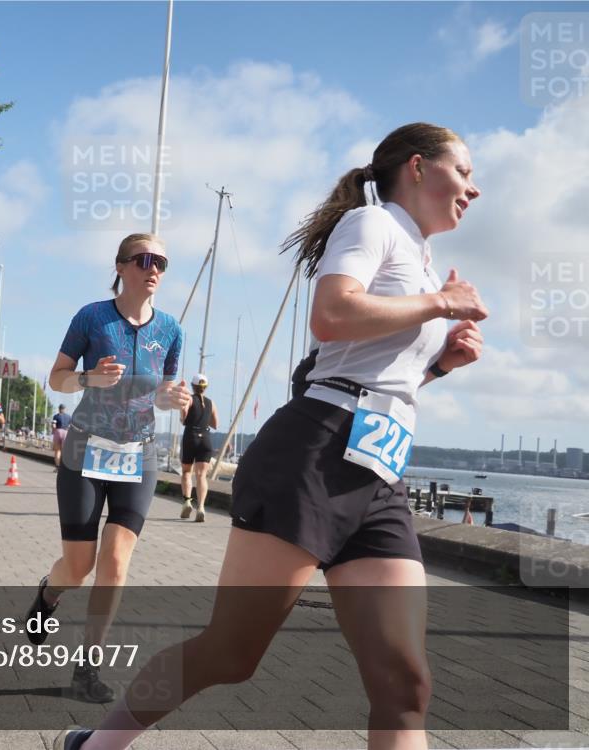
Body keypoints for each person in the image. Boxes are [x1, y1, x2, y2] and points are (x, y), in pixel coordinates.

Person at [55, 123, 487, 749]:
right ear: (417, 167)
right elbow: (331, 315)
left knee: (405, 684)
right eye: (464, 172)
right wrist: (440, 306)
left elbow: (371, 375)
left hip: (380, 473)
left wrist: (439, 364)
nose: (473, 190)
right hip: (314, 457)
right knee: (229, 655)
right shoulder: (373, 226)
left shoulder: (421, 259)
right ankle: (96, 745)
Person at [26, 232, 191, 703]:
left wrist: (175, 398)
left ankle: (88, 666)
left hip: (138, 454)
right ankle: (48, 595)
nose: (153, 268)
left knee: (116, 563)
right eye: (143, 259)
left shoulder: (171, 330)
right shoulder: (92, 317)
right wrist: (86, 378)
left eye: (161, 261)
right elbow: (56, 377)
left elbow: (161, 392)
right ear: (120, 267)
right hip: (85, 450)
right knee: (79, 567)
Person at [179, 373, 219, 523]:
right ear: (205, 387)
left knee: (186, 472)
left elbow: (184, 419)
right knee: (201, 476)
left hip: (191, 436)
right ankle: (201, 507)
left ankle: (187, 502)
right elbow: (215, 424)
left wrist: (185, 417)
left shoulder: (188, 399)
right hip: (206, 439)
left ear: (193, 386)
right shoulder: (211, 403)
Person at [51, 403, 72, 470]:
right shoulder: (69, 417)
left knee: (57, 451)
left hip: (58, 431)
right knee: (64, 451)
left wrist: (53, 432)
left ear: (59, 409)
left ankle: (57, 467)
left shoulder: (56, 416)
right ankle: (64, 467)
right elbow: (70, 426)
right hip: (65, 432)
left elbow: (54, 426)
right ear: (64, 409)